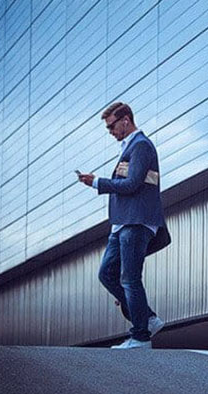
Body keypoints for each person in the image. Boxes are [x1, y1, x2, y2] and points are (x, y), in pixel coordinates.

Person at [78, 102, 171, 349]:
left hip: (136, 222)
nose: (110, 131)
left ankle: (140, 337)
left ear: (126, 120)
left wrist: (98, 182)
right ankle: (148, 318)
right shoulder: (130, 147)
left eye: (112, 126)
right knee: (107, 274)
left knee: (129, 279)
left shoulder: (140, 146)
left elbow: (132, 185)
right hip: (121, 224)